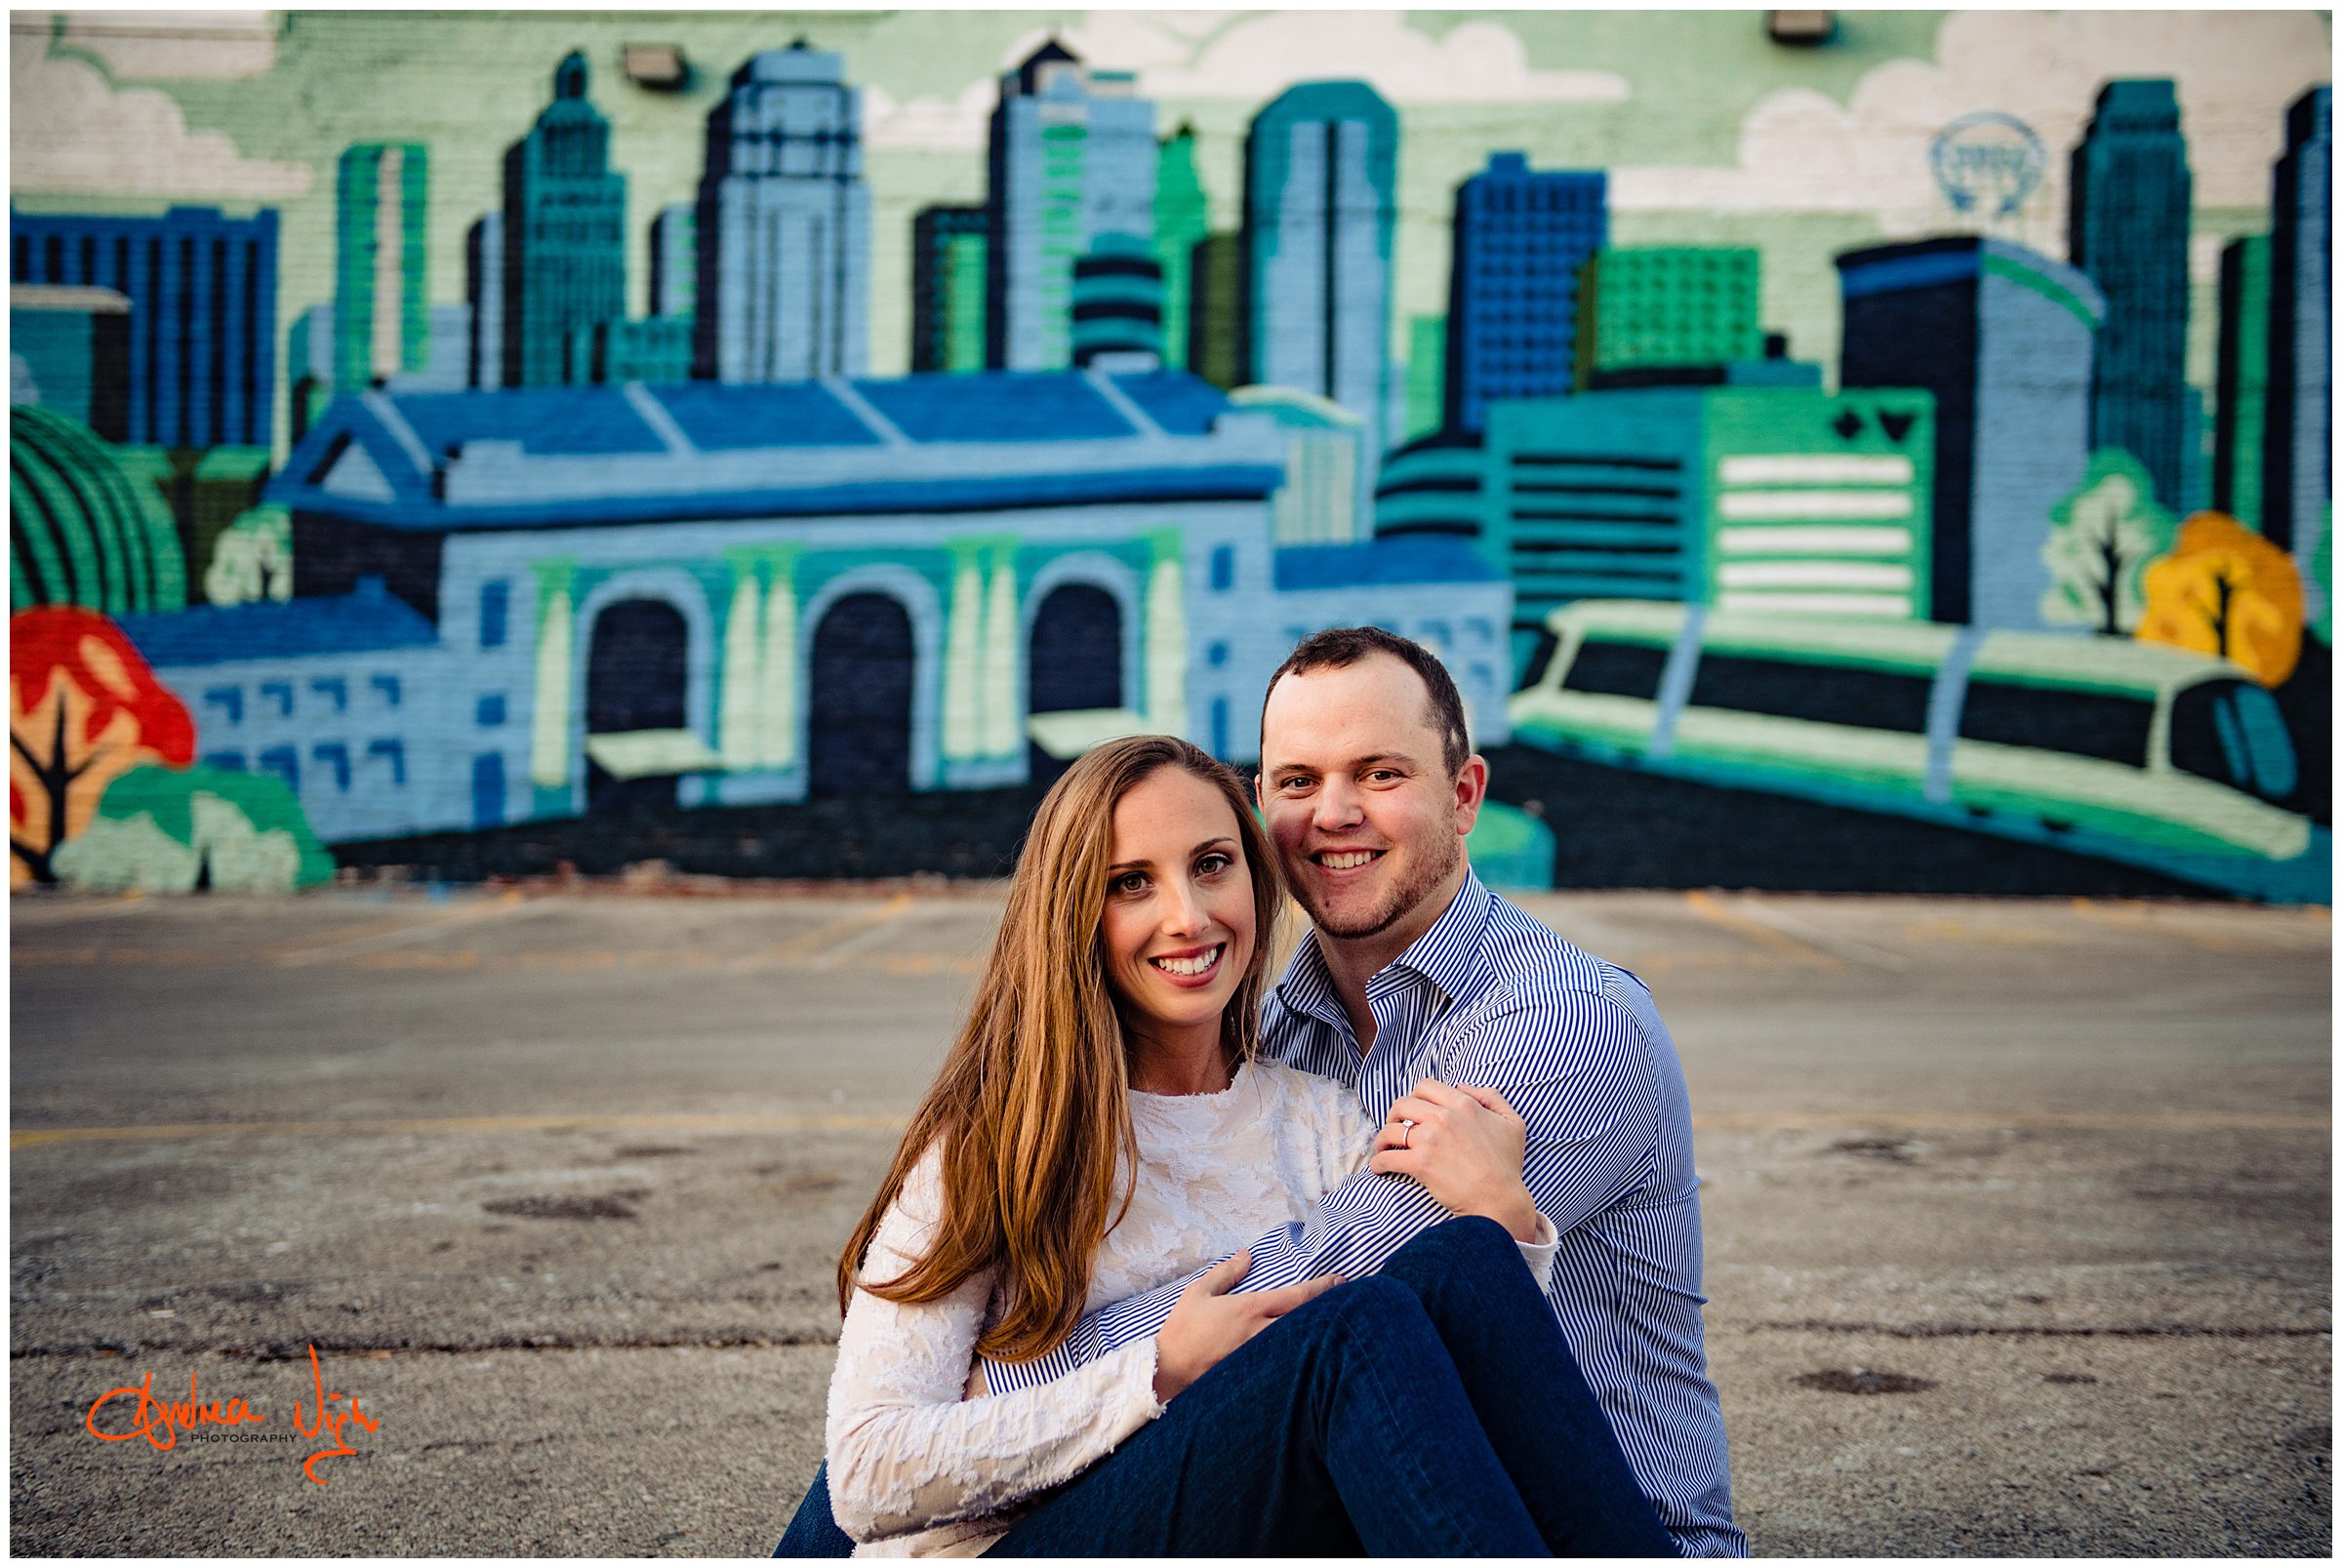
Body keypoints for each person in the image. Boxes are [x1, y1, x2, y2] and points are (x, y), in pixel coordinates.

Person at [792, 734, 1676, 1556]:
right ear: (1073, 917)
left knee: (1466, 1255)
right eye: (1130, 882)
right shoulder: (998, 1139)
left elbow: (1430, 1384)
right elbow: (866, 1474)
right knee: (1355, 1330)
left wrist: (1511, 1222)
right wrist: (1155, 1369)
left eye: (1212, 866)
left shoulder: (1316, 1116)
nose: (1187, 916)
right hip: (1014, 1540)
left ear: (1255, 879)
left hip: (1223, 1516)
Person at [974, 628, 1745, 1556]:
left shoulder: (1566, 1019)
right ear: (1261, 809)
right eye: (1298, 781)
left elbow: (1321, 1284)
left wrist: (1019, 1366)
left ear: (1464, 797)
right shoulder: (1269, 1030)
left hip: (1572, 1521)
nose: (1333, 813)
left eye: (1379, 774)